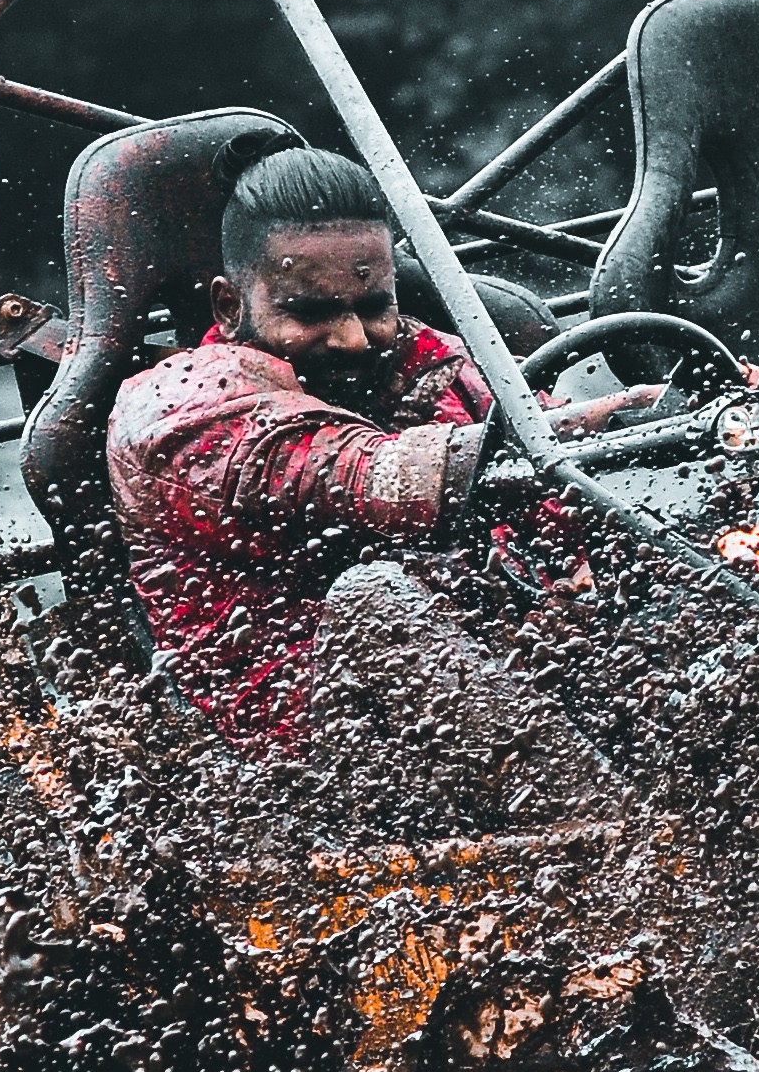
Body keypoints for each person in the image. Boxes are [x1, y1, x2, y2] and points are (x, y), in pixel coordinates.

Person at [106, 150, 498, 747]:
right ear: (230, 307)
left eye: (373, 307)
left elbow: (545, 443)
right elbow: (348, 473)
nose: (351, 339)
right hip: (300, 751)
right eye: (311, 312)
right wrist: (507, 455)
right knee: (377, 598)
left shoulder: (419, 360)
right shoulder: (177, 404)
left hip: (479, 690)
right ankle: (621, 827)